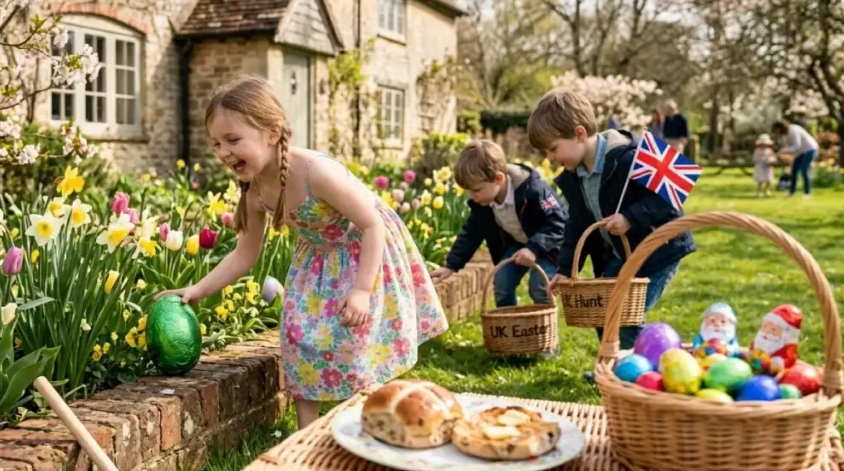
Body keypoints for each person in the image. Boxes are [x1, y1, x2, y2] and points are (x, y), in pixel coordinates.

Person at [157, 76, 448, 429]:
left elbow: (372, 224)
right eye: (216, 143)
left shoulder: (316, 173)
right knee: (298, 335)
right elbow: (244, 255)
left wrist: (361, 290)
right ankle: (304, 433)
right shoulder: (253, 191)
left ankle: (372, 421)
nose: (223, 152)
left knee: (356, 338)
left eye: (233, 140)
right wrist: (197, 290)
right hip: (317, 261)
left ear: (273, 133)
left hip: (364, 252)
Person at [527, 90, 696, 356]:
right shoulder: (574, 176)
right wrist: (566, 268)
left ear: (579, 134)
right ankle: (613, 363)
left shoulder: (629, 158)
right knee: (602, 309)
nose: (550, 158)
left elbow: (669, 201)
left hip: (657, 251)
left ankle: (636, 368)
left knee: (624, 315)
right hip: (622, 255)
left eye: (553, 148)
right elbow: (576, 224)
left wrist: (630, 218)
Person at [429, 139, 568, 310]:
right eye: (469, 191)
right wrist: (451, 265)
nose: (471, 196)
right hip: (520, 243)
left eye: (476, 190)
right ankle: (509, 324)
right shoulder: (483, 203)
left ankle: (544, 324)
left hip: (551, 244)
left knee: (539, 286)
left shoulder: (532, 190)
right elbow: (471, 233)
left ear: (498, 179)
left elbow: (557, 222)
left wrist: (533, 248)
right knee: (502, 282)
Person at [773, 120, 819, 198]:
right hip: (800, 152)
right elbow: (789, 147)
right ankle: (792, 192)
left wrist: (782, 151)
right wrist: (782, 153)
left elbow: (797, 146)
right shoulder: (785, 135)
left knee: (804, 170)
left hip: (810, 149)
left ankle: (807, 193)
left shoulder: (793, 130)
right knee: (794, 171)